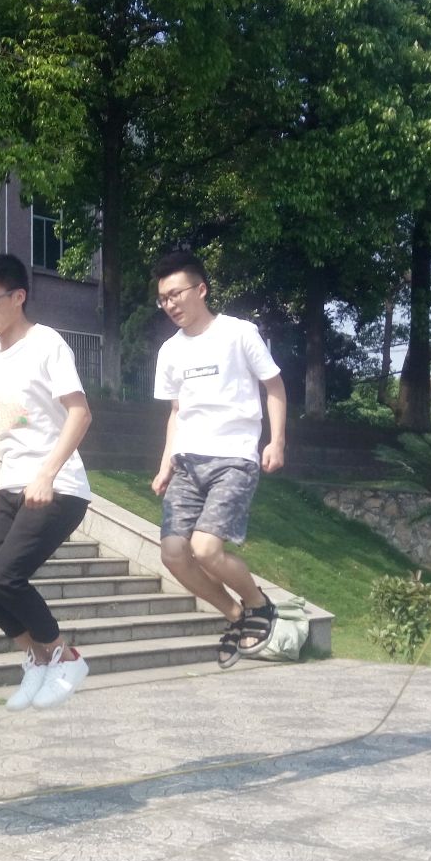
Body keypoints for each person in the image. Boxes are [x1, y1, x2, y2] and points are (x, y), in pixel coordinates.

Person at [0, 253, 94, 710]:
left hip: (58, 486)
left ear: (19, 297)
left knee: (6, 577)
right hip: (11, 485)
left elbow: (80, 413)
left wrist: (47, 474)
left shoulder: (47, 344)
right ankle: (36, 658)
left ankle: (66, 657)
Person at [150, 250, 287, 666]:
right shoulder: (169, 351)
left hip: (234, 458)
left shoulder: (239, 333)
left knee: (206, 550)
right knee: (173, 553)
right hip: (187, 463)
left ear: (201, 289)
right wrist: (165, 463)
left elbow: (275, 387)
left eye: (176, 294)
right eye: (163, 298)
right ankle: (235, 614)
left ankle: (258, 603)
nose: (170, 304)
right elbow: (176, 412)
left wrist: (277, 441)